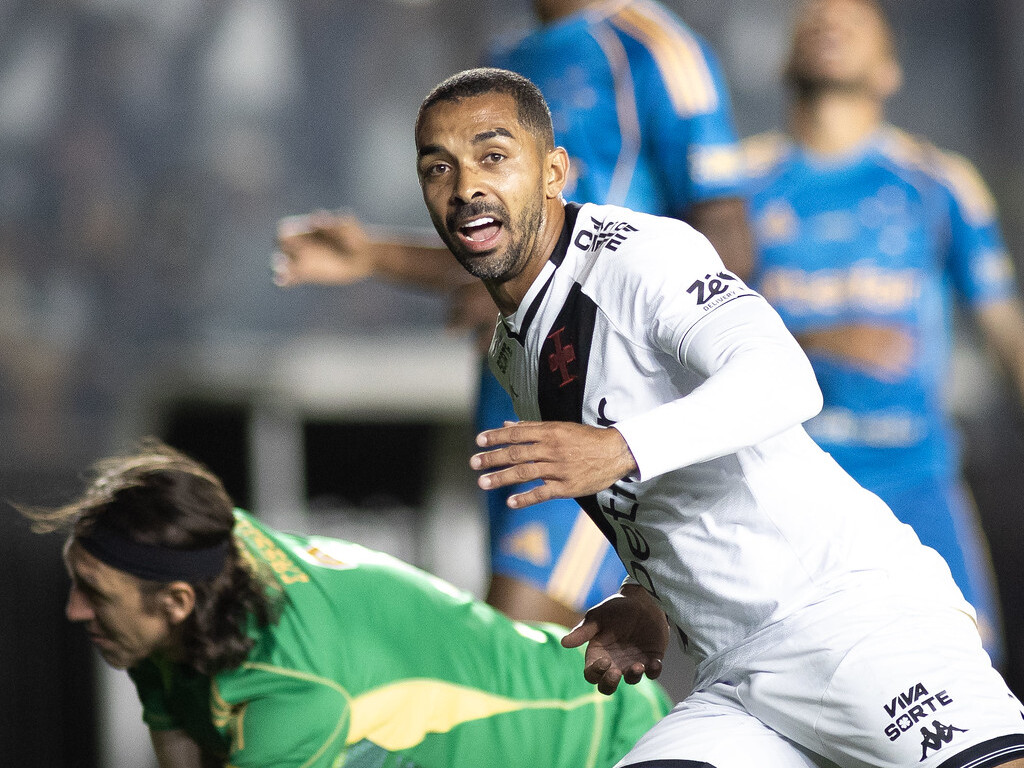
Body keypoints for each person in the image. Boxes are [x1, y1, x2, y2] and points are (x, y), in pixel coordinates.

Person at [413, 65, 1024, 767]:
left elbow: (783, 378)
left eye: (493, 156)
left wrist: (617, 448)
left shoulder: (639, 256)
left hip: (852, 622)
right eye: (439, 167)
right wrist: (645, 593)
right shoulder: (512, 348)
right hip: (737, 679)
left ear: (554, 172)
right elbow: (653, 487)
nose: (466, 187)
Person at [274, 0, 752, 629]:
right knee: (566, 678)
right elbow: (507, 244)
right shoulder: (506, 59)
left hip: (602, 398)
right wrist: (372, 257)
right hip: (514, 393)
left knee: (512, 646)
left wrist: (674, 382)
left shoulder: (655, 50)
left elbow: (723, 227)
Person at [27, 441, 671, 768]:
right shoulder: (205, 554)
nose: (74, 612)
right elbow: (174, 720)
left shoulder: (295, 695)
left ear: (175, 603)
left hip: (602, 745)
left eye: (95, 595)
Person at [744, 0, 1024, 669]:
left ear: (890, 69)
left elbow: (1005, 330)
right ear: (785, 62)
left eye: (854, 22)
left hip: (914, 479)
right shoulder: (736, 185)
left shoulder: (940, 183)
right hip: (784, 488)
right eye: (811, 20)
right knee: (798, 692)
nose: (828, 24)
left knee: (970, 680)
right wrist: (812, 340)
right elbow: (682, 334)